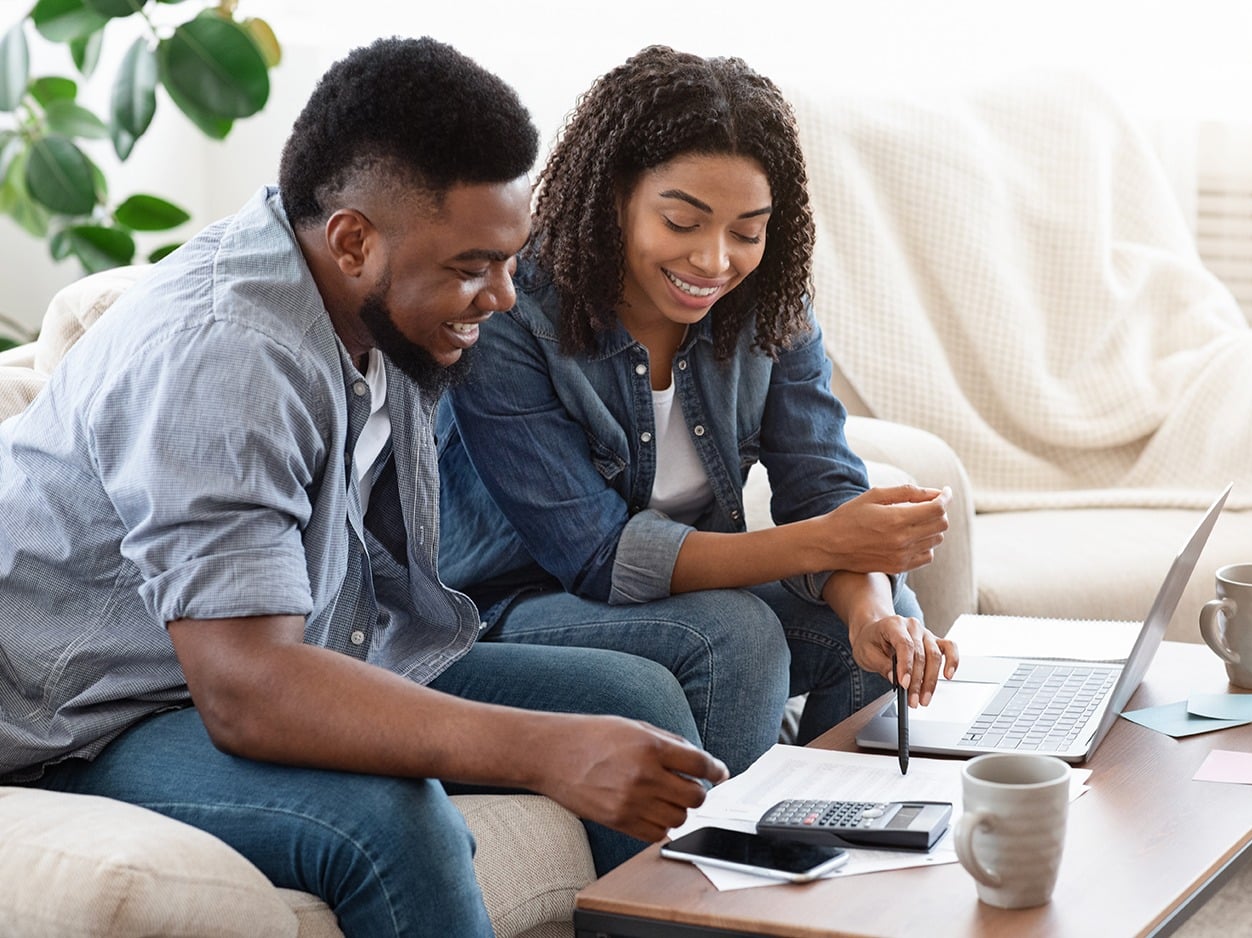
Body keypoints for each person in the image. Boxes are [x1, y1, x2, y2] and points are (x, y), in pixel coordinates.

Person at [0, 37, 726, 936]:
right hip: (93, 718)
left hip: (290, 655)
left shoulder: (371, 309)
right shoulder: (228, 355)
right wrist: (544, 751)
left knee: (635, 700)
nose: (501, 296)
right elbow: (247, 686)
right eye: (471, 266)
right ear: (352, 240)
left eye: (509, 259)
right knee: (398, 821)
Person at [436, 45, 959, 777]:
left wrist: (873, 605)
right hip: (510, 606)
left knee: (877, 622)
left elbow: (821, 484)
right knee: (737, 636)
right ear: (616, 193)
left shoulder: (768, 306)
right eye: (683, 222)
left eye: (746, 232)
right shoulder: (515, 310)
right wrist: (827, 541)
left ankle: (835, 849)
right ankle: (721, 878)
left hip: (664, 598)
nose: (715, 261)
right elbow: (596, 556)